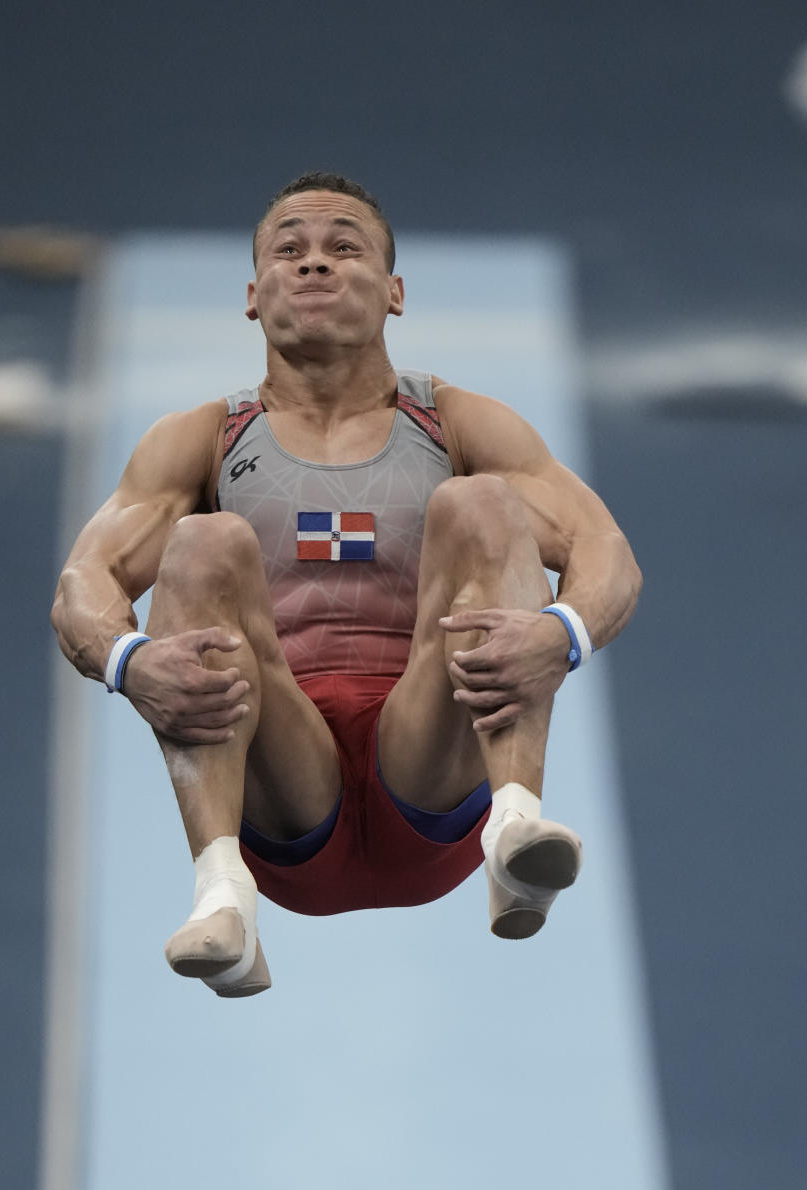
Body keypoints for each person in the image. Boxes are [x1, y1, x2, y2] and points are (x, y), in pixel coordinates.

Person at [51, 172, 642, 998]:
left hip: (429, 760)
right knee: (205, 542)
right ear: (253, 296)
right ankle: (223, 891)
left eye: (343, 248)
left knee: (482, 502)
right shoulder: (201, 440)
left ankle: (514, 828)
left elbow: (606, 552)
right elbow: (85, 581)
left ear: (395, 293)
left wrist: (562, 635)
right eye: (288, 251)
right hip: (281, 780)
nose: (314, 264)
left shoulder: (460, 422)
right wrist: (128, 662)